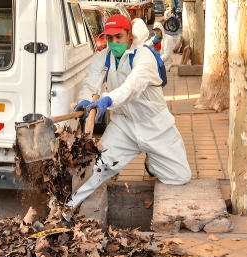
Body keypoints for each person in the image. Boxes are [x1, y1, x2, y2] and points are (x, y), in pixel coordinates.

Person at [67, 14, 191, 209]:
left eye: (119, 37)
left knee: (180, 176)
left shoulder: (144, 55)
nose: (114, 42)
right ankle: (64, 208)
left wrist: (107, 99)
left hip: (154, 124)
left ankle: (152, 163)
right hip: (123, 125)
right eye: (109, 38)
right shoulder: (104, 57)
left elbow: (133, 86)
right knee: (98, 168)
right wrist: (85, 100)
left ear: (129, 36)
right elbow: (91, 82)